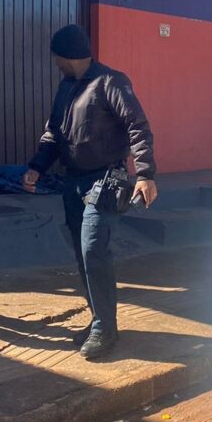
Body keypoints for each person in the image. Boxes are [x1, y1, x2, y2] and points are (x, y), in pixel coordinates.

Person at [22, 24, 156, 361]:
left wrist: (145, 174)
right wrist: (37, 166)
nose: (55, 63)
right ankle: (100, 318)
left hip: (105, 180)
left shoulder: (110, 82)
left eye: (56, 57)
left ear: (66, 56)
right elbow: (54, 131)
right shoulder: (67, 86)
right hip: (73, 181)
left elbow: (136, 125)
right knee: (83, 255)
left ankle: (104, 329)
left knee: (93, 248)